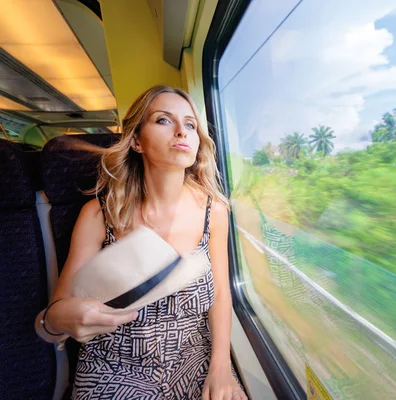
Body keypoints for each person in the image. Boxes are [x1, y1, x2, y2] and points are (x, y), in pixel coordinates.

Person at [34, 85, 247, 400]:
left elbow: (219, 294)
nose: (181, 131)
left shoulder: (214, 211)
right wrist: (56, 320)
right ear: (136, 141)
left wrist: (220, 367)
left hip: (194, 358)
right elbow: (56, 313)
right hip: (112, 364)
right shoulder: (100, 213)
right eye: (164, 120)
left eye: (190, 124)